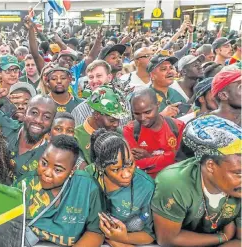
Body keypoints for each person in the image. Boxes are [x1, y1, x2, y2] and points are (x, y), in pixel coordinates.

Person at [151, 115, 241, 246]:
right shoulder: (174, 184)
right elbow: (167, 239)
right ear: (211, 166)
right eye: (238, 173)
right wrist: (223, 237)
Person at [14, 135, 104, 246]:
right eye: (44, 163)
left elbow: (96, 232)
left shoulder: (88, 187)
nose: (47, 173)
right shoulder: (25, 185)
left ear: (72, 170)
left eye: (57, 170)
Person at [85, 130, 155, 246]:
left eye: (130, 164)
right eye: (116, 169)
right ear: (100, 167)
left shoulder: (145, 187)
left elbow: (149, 235)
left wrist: (124, 237)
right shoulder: (88, 176)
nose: (127, 174)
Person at [0, 92, 57, 178]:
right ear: (25, 113)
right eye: (34, 113)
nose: (38, 120)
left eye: (46, 117)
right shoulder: (4, 125)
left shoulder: (49, 155)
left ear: (52, 122)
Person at [124, 88, 185, 178]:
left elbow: (181, 161)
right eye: (137, 114)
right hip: (146, 182)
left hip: (173, 180)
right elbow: (134, 164)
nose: (142, 118)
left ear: (158, 105)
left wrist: (148, 156)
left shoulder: (178, 126)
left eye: (147, 112)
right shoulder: (130, 130)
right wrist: (168, 156)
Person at [75, 86, 128, 166]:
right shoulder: (76, 137)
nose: (116, 124)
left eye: (118, 120)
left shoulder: (118, 133)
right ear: (96, 115)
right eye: (112, 120)